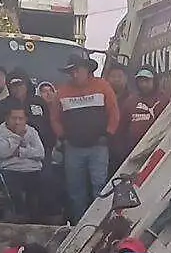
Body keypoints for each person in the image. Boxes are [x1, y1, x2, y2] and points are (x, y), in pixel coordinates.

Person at [50, 55, 119, 221]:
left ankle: (99, 223)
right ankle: (79, 224)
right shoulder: (62, 92)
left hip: (98, 147)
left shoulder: (102, 86)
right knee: (75, 190)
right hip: (73, 148)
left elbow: (114, 113)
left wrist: (108, 134)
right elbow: (54, 118)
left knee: (100, 187)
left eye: (77, 71)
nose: (74, 75)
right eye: (71, 72)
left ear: (87, 70)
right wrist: (63, 137)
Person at [0, 102, 45, 222]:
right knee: (15, 194)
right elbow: (3, 153)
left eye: (21, 118)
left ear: (25, 119)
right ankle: (19, 222)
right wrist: (17, 137)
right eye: (14, 118)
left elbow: (40, 153)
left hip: (32, 170)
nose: (17, 122)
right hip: (8, 171)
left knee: (47, 189)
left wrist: (19, 152)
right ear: (7, 118)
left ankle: (40, 223)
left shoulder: (32, 132)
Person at [111, 66, 167, 173]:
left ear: (154, 81)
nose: (144, 84)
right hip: (133, 153)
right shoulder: (130, 102)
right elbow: (120, 129)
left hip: (156, 151)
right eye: (141, 81)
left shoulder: (163, 99)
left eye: (147, 80)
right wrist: (122, 152)